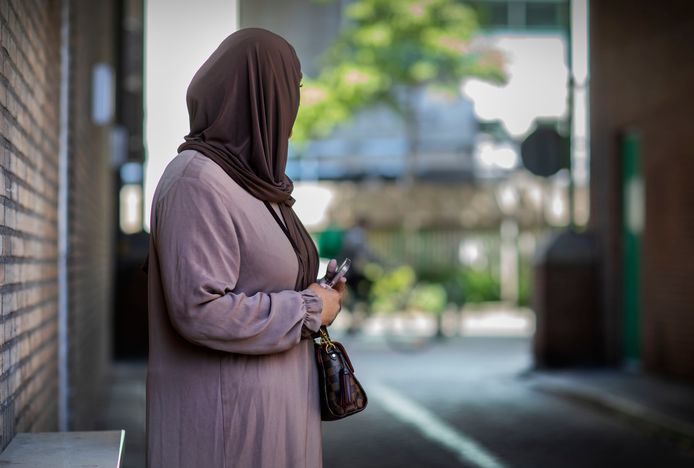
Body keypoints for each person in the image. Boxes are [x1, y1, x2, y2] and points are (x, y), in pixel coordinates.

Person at [144, 28, 346, 468]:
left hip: (273, 419)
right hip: (227, 432)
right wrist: (309, 308)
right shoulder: (197, 181)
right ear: (258, 95)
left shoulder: (250, 183)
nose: (292, 106)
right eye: (287, 89)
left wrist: (318, 292)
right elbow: (199, 310)